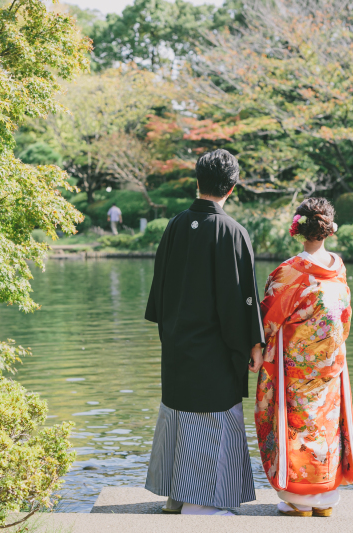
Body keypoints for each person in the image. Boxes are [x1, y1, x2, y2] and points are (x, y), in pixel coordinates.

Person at [144, 149, 265, 516]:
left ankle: (174, 496)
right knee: (210, 418)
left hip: (178, 345)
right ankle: (201, 502)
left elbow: (159, 294)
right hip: (213, 349)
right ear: (232, 187)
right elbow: (240, 299)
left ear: (197, 182)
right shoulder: (232, 232)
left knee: (178, 413)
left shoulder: (176, 225)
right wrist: (253, 343)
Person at [255, 197, 353, 517]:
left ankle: (299, 500)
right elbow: (344, 320)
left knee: (297, 428)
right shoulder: (338, 268)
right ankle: (326, 498)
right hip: (330, 363)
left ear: (299, 228)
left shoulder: (288, 272)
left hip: (294, 368)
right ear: (328, 229)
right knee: (326, 425)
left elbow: (267, 321)